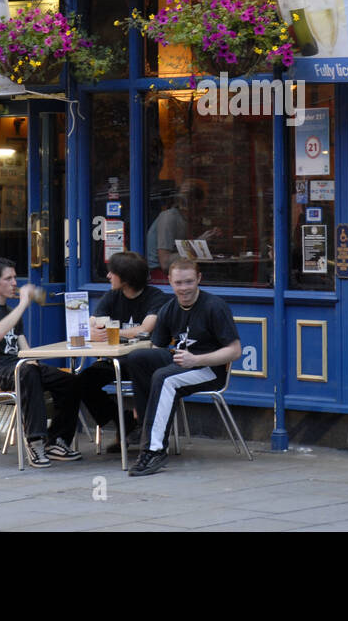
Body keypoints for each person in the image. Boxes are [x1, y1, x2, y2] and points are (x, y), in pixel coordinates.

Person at [122, 257, 241, 477]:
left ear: (199, 279)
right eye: (179, 283)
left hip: (209, 370)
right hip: (181, 363)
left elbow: (235, 350)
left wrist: (196, 360)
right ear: (169, 281)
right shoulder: (169, 308)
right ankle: (144, 423)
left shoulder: (215, 306)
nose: (184, 288)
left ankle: (154, 450)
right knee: (138, 358)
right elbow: (157, 348)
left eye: (189, 282)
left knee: (164, 378)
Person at [0, 257, 82, 468]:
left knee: (70, 381)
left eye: (14, 278)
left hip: (20, 367)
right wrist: (23, 304)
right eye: (8, 278)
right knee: (27, 372)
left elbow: (24, 348)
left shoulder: (11, 313)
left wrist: (34, 361)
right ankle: (35, 441)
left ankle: (57, 440)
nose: (14, 283)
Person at [78, 251, 167, 449]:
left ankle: (142, 430)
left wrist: (113, 332)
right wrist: (92, 332)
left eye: (112, 272)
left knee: (138, 369)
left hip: (146, 363)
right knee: (84, 381)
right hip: (115, 360)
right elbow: (92, 321)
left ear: (126, 277)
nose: (108, 276)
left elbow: (146, 329)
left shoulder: (156, 297)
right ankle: (124, 422)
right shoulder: (112, 295)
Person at [145, 182, 220, 281]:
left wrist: (208, 240)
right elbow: (165, 263)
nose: (203, 208)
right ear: (196, 203)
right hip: (163, 277)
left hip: (183, 272)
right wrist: (199, 244)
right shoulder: (169, 218)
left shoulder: (188, 220)